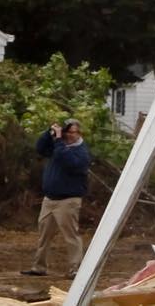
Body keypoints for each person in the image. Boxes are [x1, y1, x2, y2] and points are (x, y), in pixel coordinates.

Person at [21, 117, 91, 278]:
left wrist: (58, 140)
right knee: (44, 235)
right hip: (50, 199)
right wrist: (49, 132)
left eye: (72, 132)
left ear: (79, 133)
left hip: (68, 200)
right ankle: (39, 267)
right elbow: (40, 148)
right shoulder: (59, 146)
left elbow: (67, 161)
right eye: (67, 132)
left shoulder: (81, 152)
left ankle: (76, 268)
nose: (69, 135)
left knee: (71, 235)